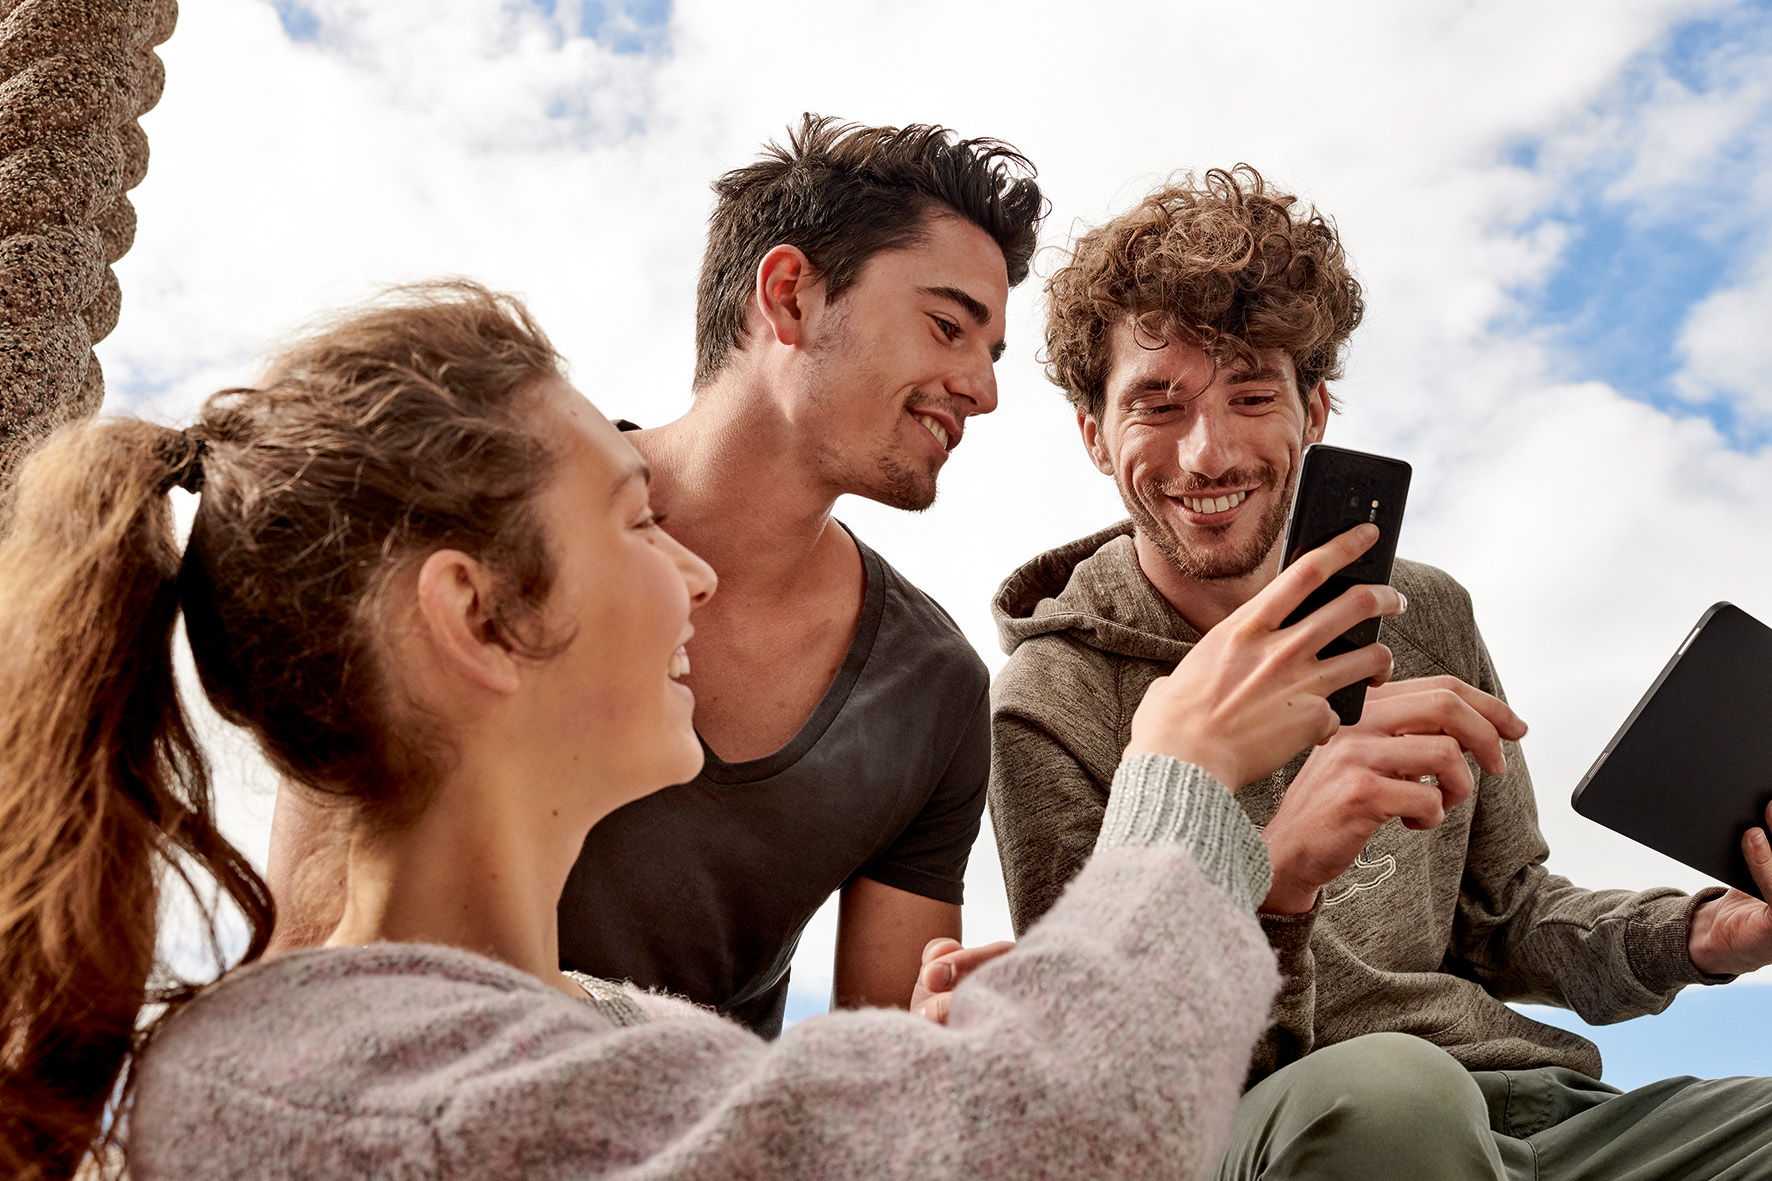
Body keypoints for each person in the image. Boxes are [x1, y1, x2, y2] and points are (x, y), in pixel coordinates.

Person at [0, 281, 1405, 1179]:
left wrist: (916, 1068)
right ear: (476, 617)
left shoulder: (518, 1040)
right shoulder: (354, 1091)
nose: (691, 570)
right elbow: (1053, 1141)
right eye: (629, 517)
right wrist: (1182, 786)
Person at [988, 165, 1772, 1179]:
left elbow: (1507, 919)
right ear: (1094, 434)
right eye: (1155, 402)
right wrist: (1279, 874)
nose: (1205, 450)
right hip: (1286, 1121)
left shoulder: (1425, 609)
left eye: (1250, 393)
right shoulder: (1049, 700)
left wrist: (1712, 932)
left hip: (1532, 1110)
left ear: (1314, 411)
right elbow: (1112, 1065)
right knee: (1395, 1092)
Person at [265, 116, 1044, 1036]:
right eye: (948, 326)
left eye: (989, 354)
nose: (982, 389)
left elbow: (880, 1061)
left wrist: (940, 1038)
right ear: (789, 296)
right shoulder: (482, 517)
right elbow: (313, 949)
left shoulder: (935, 690)